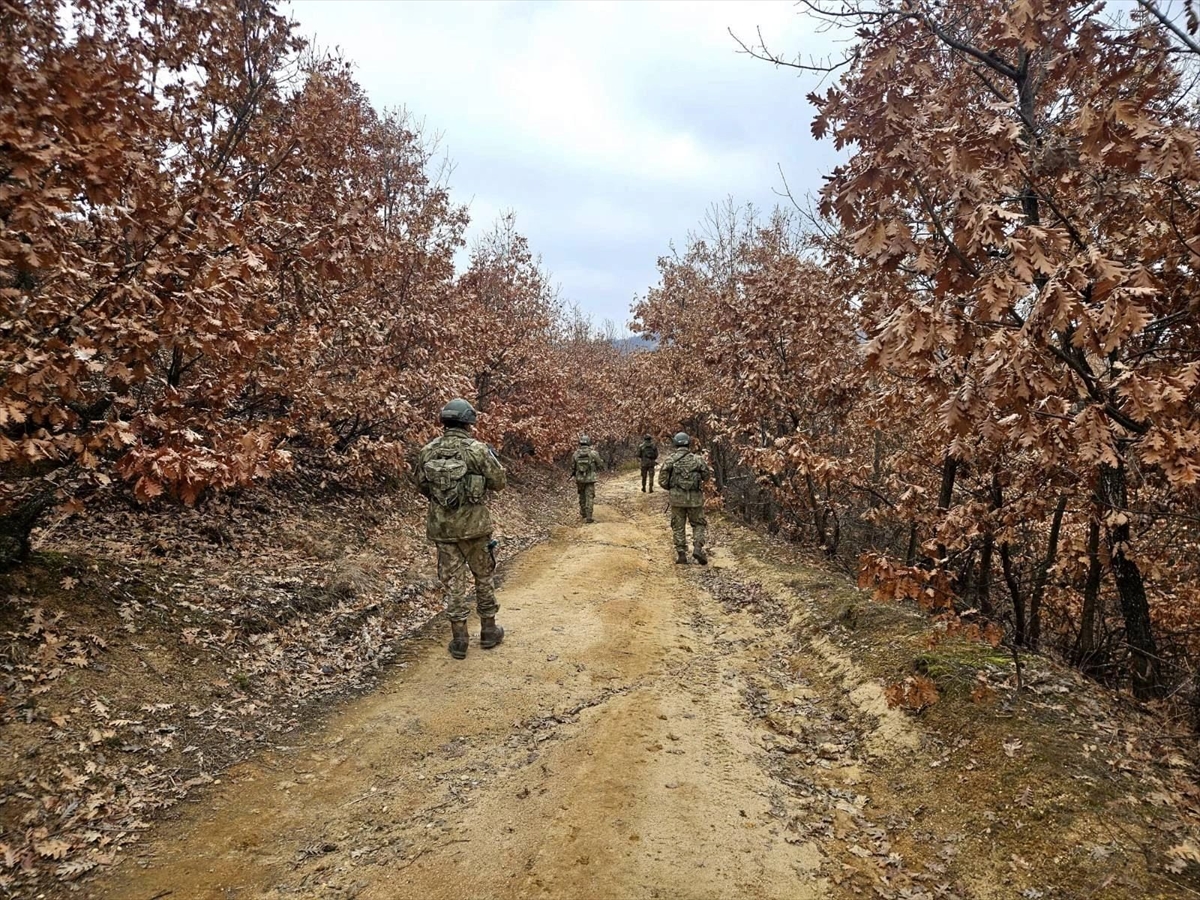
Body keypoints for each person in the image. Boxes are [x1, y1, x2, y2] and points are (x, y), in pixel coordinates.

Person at [413, 399, 507, 659]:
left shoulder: (428, 450)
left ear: (445, 422)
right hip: (476, 528)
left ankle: (459, 640)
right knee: (483, 576)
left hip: (443, 529)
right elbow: (499, 482)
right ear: (469, 422)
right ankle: (489, 632)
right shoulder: (477, 450)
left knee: (454, 583)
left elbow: (421, 486)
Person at [657, 431, 710, 565]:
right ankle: (697, 548)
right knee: (698, 524)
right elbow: (707, 477)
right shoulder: (697, 459)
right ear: (688, 443)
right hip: (695, 499)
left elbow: (662, 480)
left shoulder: (671, 460)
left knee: (678, 525)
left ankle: (681, 554)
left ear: (675, 443)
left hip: (677, 499)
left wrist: (672, 489)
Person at [571, 434, 604, 523]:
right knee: (589, 496)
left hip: (579, 479)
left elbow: (573, 467)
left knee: (581, 495)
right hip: (590, 479)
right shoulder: (593, 453)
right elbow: (600, 464)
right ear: (589, 442)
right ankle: (589, 516)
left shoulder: (575, 454)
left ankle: (583, 513)